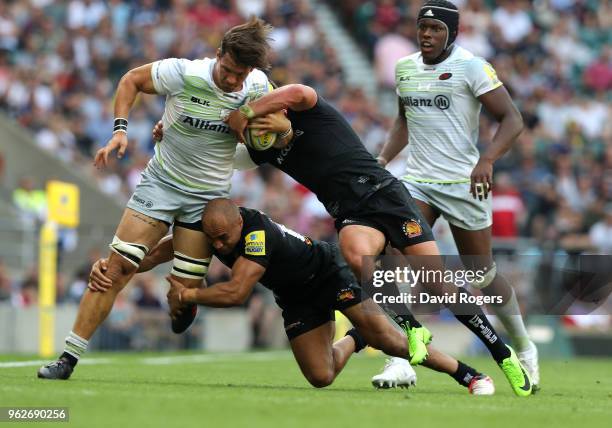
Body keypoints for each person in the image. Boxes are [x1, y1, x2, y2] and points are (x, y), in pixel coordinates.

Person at [155, 81, 533, 396]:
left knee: (437, 283)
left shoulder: (307, 112)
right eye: (259, 136)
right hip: (350, 213)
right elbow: (216, 150)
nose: (266, 135)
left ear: (277, 112)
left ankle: (503, 355)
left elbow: (299, 91)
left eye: (269, 123)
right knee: (355, 256)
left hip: (386, 195)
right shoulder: (263, 152)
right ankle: (413, 328)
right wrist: (170, 134)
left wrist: (248, 112)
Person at [37, 17, 281, 380]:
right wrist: (119, 131)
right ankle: (68, 358)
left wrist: (266, 133)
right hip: (161, 183)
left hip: (208, 200)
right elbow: (130, 80)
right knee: (114, 270)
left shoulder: (259, 87)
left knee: (181, 298)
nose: (233, 80)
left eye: (241, 74)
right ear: (218, 55)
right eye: (229, 70)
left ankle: (182, 301)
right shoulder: (184, 73)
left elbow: (273, 134)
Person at [90, 198, 496, 394]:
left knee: (390, 339)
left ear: (237, 223)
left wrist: (189, 293)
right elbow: (161, 251)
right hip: (296, 298)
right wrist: (116, 267)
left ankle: (469, 375)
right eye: (212, 239)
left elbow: (235, 293)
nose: (217, 245)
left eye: (223, 238)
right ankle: (355, 337)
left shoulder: (255, 235)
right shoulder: (216, 233)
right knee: (321, 377)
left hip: (328, 271)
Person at [375, 0, 539, 388]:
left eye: (436, 29)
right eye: (422, 27)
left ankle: (525, 347)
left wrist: (489, 159)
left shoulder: (472, 66)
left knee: (482, 274)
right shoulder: (406, 68)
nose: (427, 34)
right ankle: (399, 358)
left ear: (452, 32)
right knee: (389, 256)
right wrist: (381, 159)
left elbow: (512, 119)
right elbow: (404, 121)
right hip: (418, 182)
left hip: (464, 184)